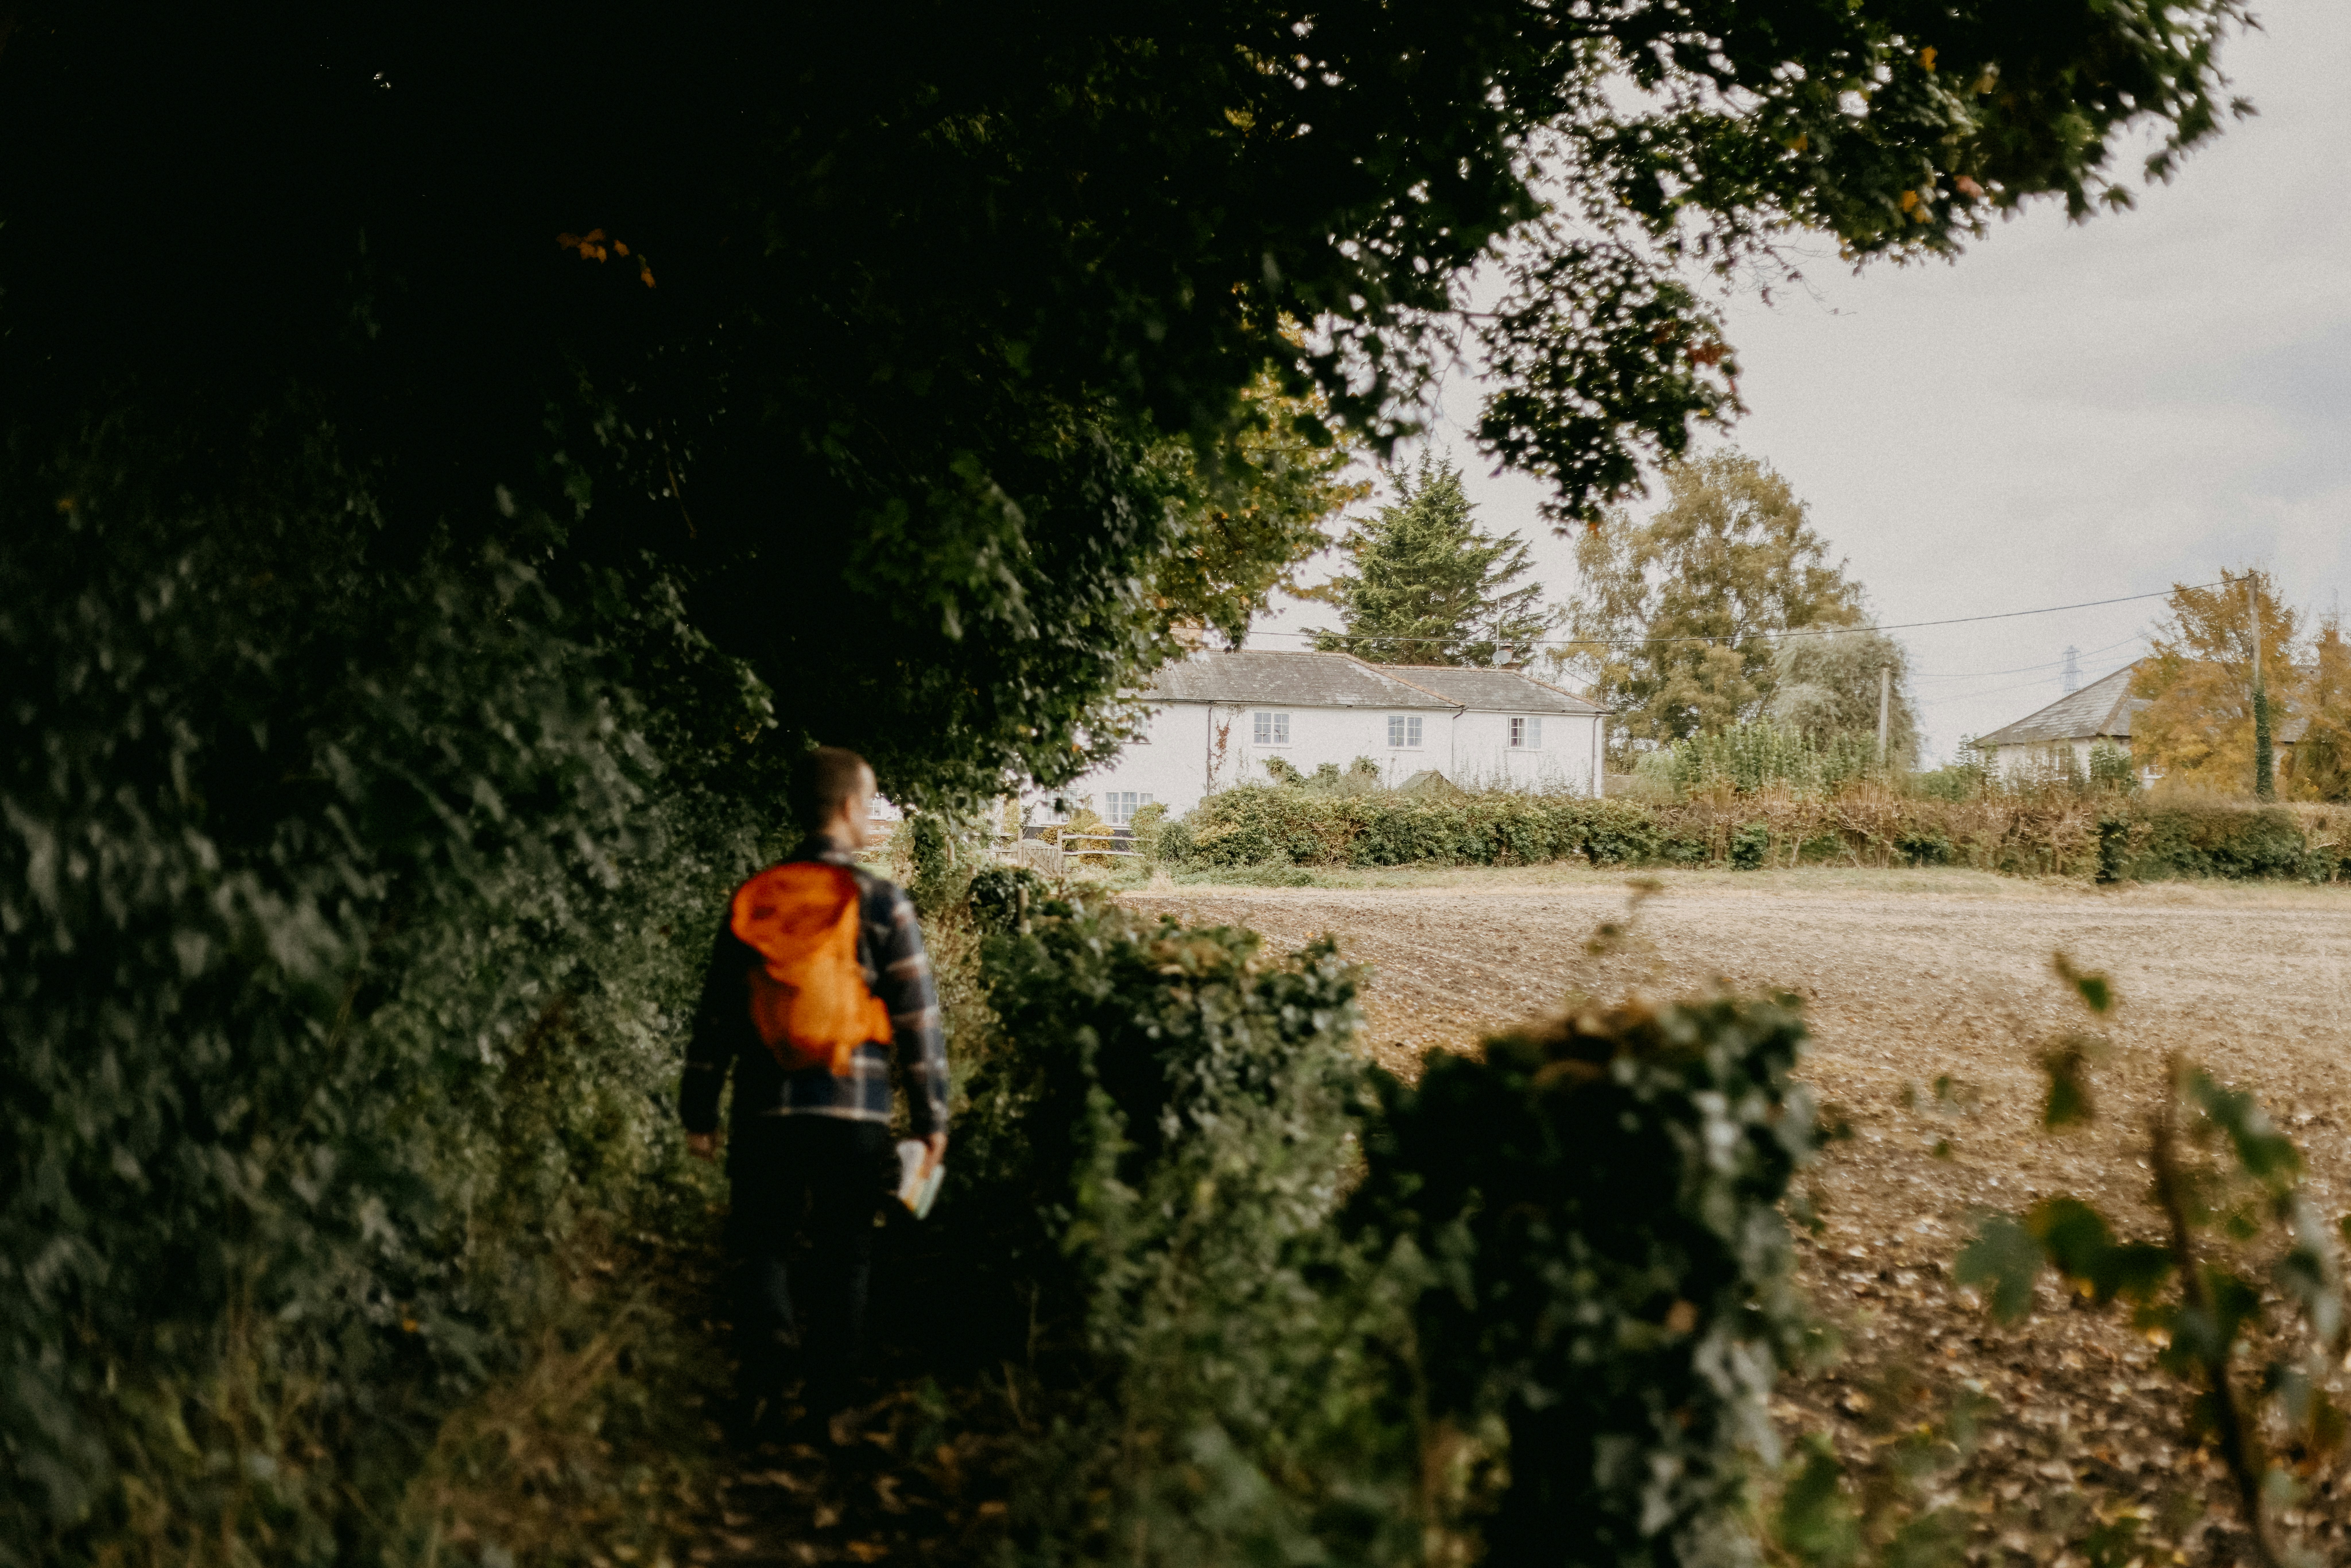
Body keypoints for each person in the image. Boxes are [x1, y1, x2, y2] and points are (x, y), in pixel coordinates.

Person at [680, 746, 948, 1437]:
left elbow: (718, 1013)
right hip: (852, 1112)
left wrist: (700, 1108)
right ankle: (830, 1404)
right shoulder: (882, 901)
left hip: (766, 1108)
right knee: (845, 1251)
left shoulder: (758, 895)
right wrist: (930, 1118)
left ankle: (768, 1359)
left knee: (761, 1242)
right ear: (851, 808)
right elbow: (918, 1019)